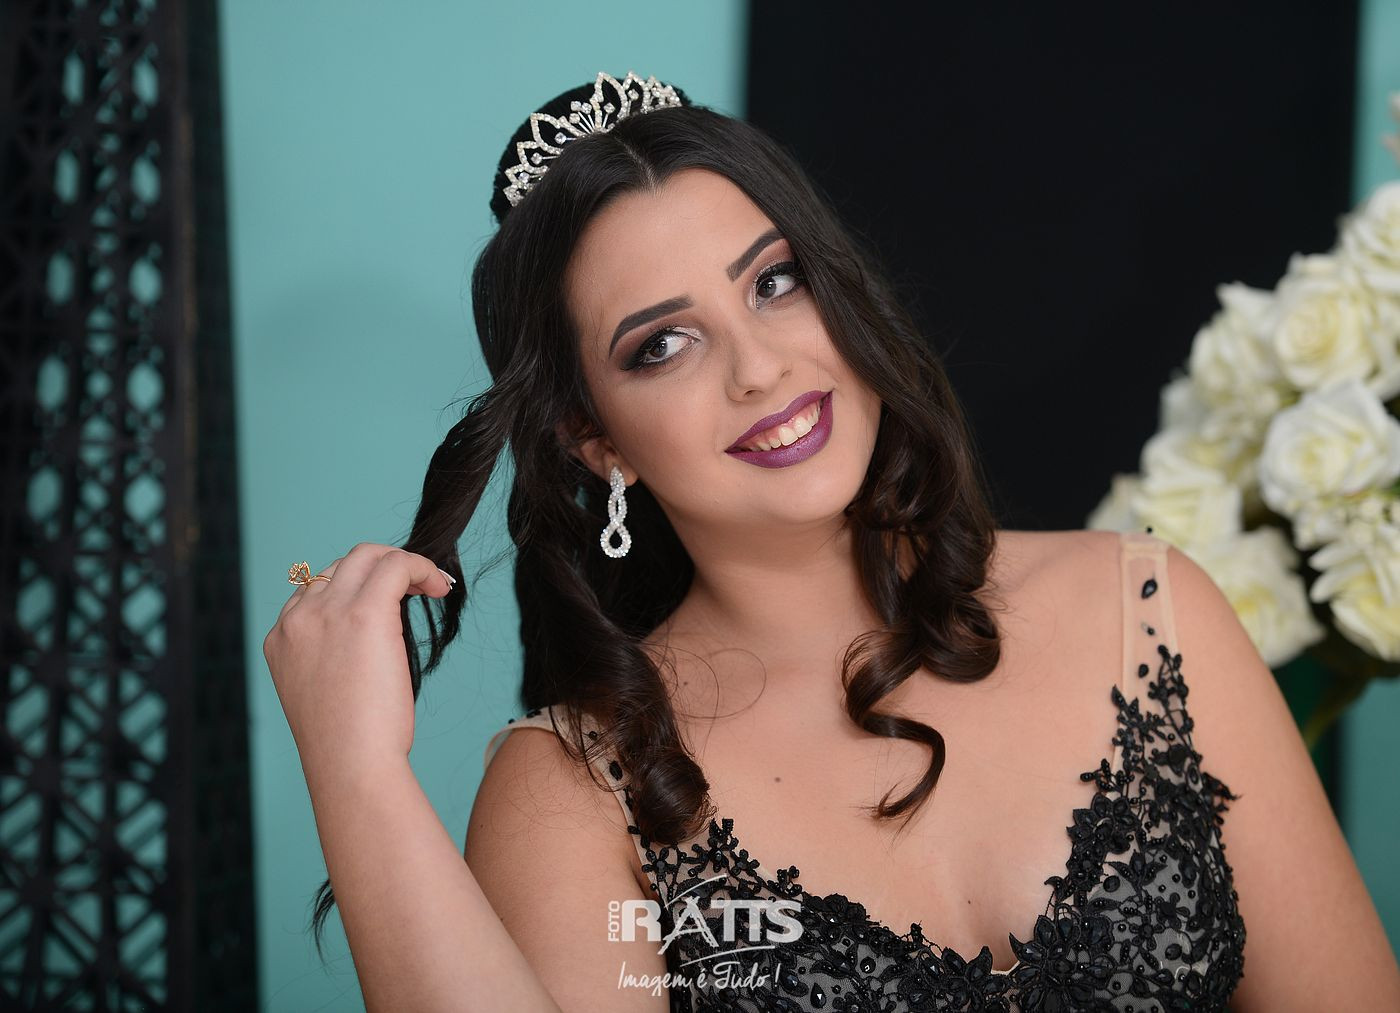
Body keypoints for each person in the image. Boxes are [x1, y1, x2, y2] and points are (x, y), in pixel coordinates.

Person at [262, 71, 1400, 1012]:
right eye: (662, 345)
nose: (759, 367)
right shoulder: (575, 789)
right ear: (594, 439)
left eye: (775, 282)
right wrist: (356, 775)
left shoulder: (1148, 611)